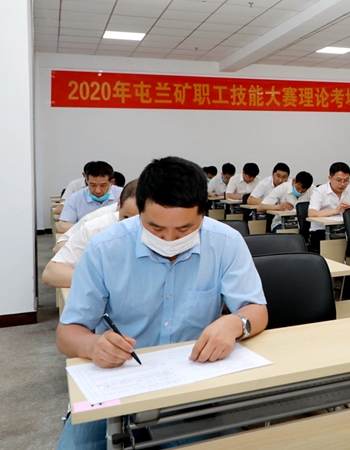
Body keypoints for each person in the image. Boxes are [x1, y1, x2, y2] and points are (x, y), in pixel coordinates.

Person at [56, 156, 268, 449]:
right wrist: (92, 346)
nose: (169, 240)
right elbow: (67, 333)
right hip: (118, 378)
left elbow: (256, 309)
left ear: (203, 214)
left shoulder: (226, 243)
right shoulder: (105, 248)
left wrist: (235, 323)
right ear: (138, 211)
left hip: (192, 382)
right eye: (155, 228)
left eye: (184, 230)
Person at [43, 181, 139, 288]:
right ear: (119, 203)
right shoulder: (98, 226)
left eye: (140, 221)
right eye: (125, 218)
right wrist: (104, 283)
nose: (130, 227)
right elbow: (51, 272)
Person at [308, 162, 350, 248]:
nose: (342, 184)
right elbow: (311, 213)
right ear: (330, 178)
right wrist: (335, 211)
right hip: (321, 230)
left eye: (346, 180)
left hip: (345, 229)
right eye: (339, 180)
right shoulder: (319, 191)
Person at [57, 161, 122, 233]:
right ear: (87, 181)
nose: (98, 191)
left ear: (112, 182)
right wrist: (89, 228)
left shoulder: (123, 195)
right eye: (93, 185)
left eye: (103, 185)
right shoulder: (76, 198)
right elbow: (61, 226)